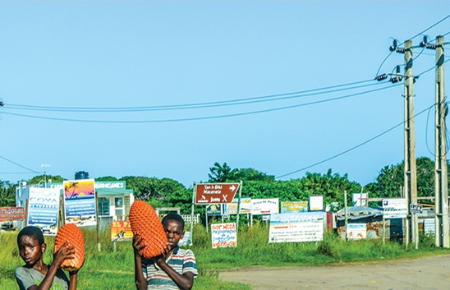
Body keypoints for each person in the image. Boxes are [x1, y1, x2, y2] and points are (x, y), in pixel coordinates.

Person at [133, 213, 197, 290]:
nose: (170, 236)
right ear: (160, 230)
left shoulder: (186, 255)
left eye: (176, 233)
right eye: (167, 231)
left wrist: (162, 263)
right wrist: (137, 256)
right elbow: (141, 287)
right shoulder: (147, 256)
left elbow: (187, 285)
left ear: (182, 235)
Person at [14, 226, 82, 290]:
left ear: (42, 248)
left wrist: (73, 274)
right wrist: (55, 263)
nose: (26, 252)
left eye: (31, 247)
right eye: (21, 248)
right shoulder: (22, 272)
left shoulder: (58, 272)